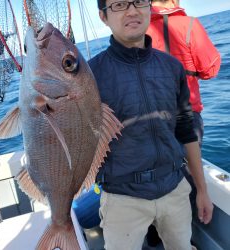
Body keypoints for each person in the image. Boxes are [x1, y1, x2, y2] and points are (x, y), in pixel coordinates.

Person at [88, 0, 213, 250]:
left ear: (149, 8)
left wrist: (202, 190)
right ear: (103, 17)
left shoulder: (172, 67)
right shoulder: (90, 75)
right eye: (120, 5)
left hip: (174, 189)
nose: (132, 11)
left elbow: (186, 130)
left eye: (139, 2)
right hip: (121, 198)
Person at [147, 0, 221, 146]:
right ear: (174, 1)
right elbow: (210, 70)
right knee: (190, 165)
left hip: (150, 119)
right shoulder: (189, 24)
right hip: (188, 114)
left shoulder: (139, 31)